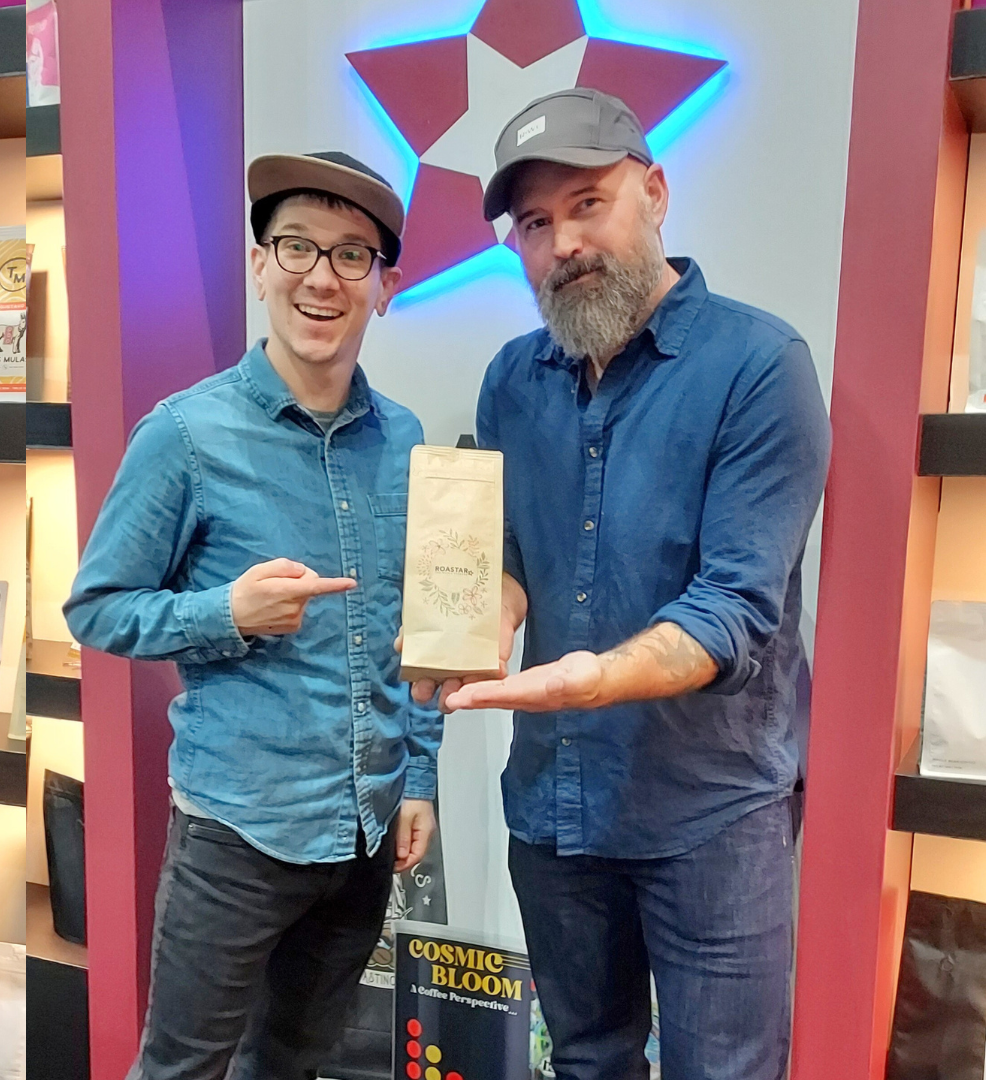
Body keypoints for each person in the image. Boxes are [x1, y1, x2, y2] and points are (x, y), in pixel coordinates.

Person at [416, 88, 830, 1078]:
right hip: (556, 809)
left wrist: (587, 679)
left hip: (714, 814)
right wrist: (471, 612)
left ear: (654, 191)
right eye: (535, 224)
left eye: (588, 203)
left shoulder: (760, 366)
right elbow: (511, 554)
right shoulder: (512, 379)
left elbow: (736, 610)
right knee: (588, 1062)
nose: (563, 243)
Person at [64, 151, 442, 1080]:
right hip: (237, 833)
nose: (322, 276)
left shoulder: (408, 441)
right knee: (181, 1069)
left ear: (385, 287)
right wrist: (228, 612)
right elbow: (97, 609)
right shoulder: (185, 434)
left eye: (354, 256)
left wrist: (420, 774)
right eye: (298, 246)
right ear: (260, 265)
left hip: (364, 828)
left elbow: (423, 635)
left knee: (294, 1066)